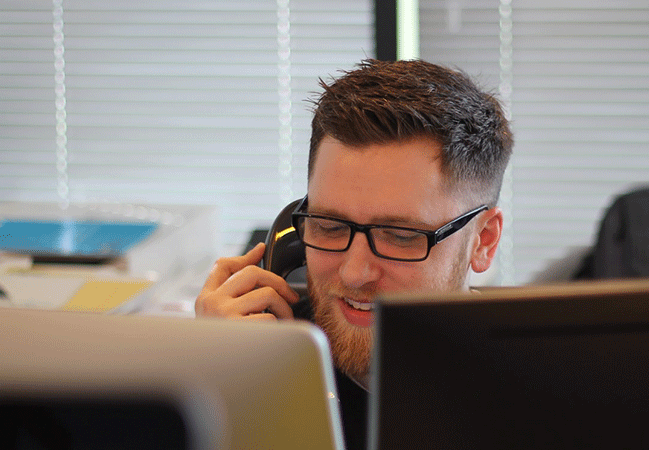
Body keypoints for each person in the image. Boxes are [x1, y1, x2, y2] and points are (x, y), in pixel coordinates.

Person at [195, 58, 513, 450]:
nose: (354, 274)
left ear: (483, 241)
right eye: (330, 227)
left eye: (399, 235)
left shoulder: (546, 399)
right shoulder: (256, 363)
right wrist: (214, 387)